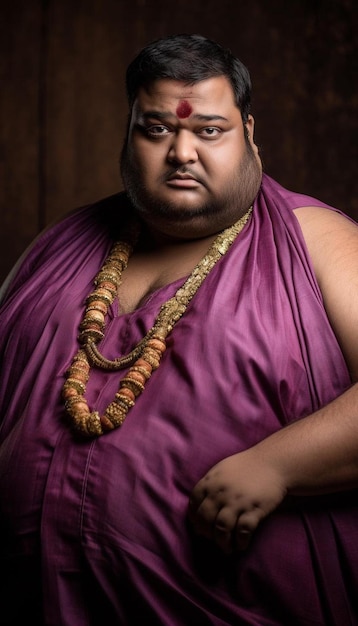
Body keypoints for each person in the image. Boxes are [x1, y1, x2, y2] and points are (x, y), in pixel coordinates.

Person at [0, 33, 357, 626]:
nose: (182, 152)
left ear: (249, 133)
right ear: (130, 133)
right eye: (158, 128)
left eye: (209, 130)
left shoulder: (317, 242)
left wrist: (279, 465)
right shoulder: (57, 245)